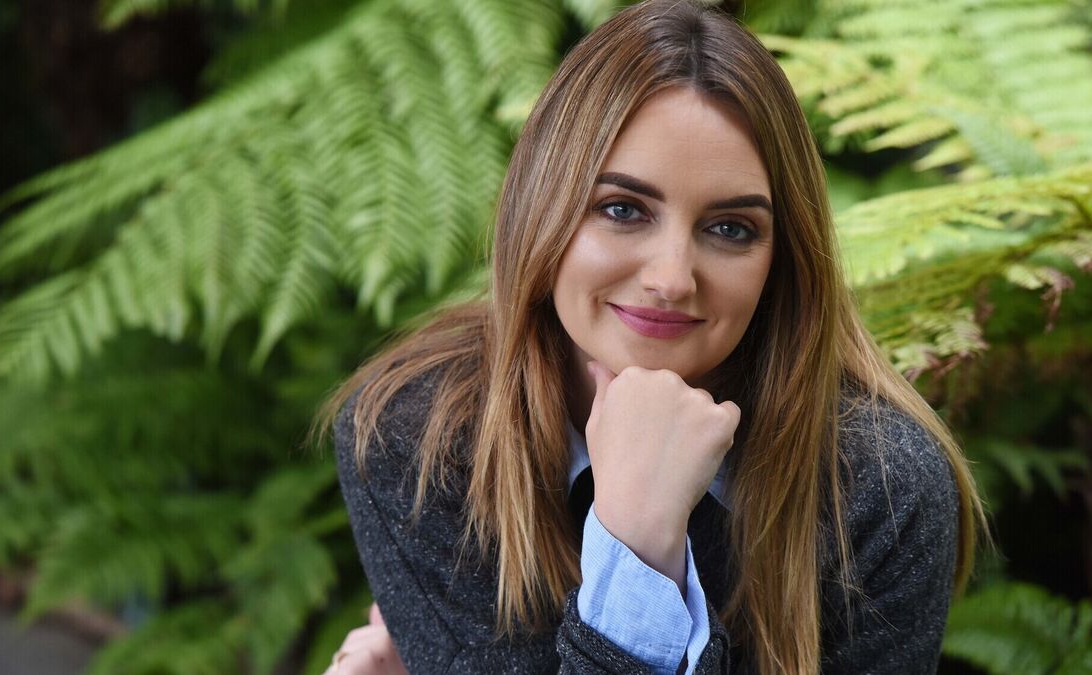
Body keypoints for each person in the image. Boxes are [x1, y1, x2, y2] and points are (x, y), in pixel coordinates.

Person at [315, 1, 986, 673]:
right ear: (540, 211)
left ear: (781, 258)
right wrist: (639, 545)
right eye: (622, 209)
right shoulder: (421, 437)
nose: (671, 279)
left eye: (730, 228)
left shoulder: (879, 487)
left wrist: (635, 542)